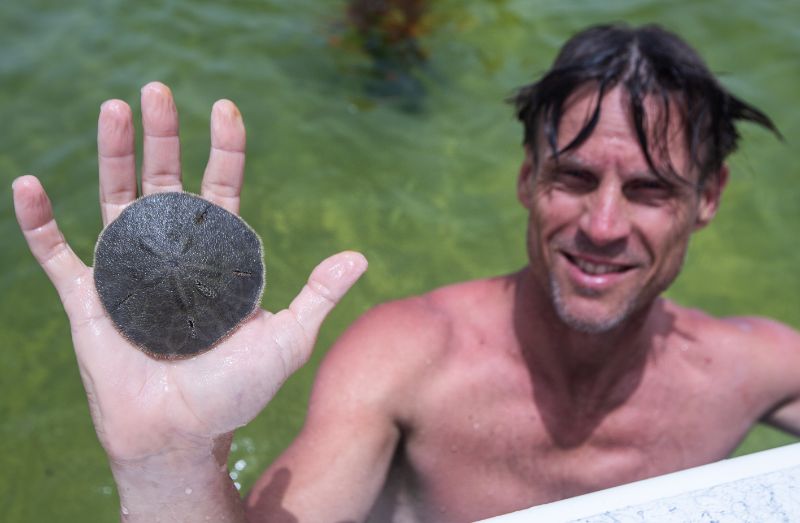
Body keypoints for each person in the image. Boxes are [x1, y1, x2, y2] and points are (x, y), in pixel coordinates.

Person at [12, 23, 800, 523]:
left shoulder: (753, 367)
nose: (601, 224)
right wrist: (166, 464)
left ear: (710, 198)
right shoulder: (407, 361)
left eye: (650, 190)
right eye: (572, 177)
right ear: (528, 178)